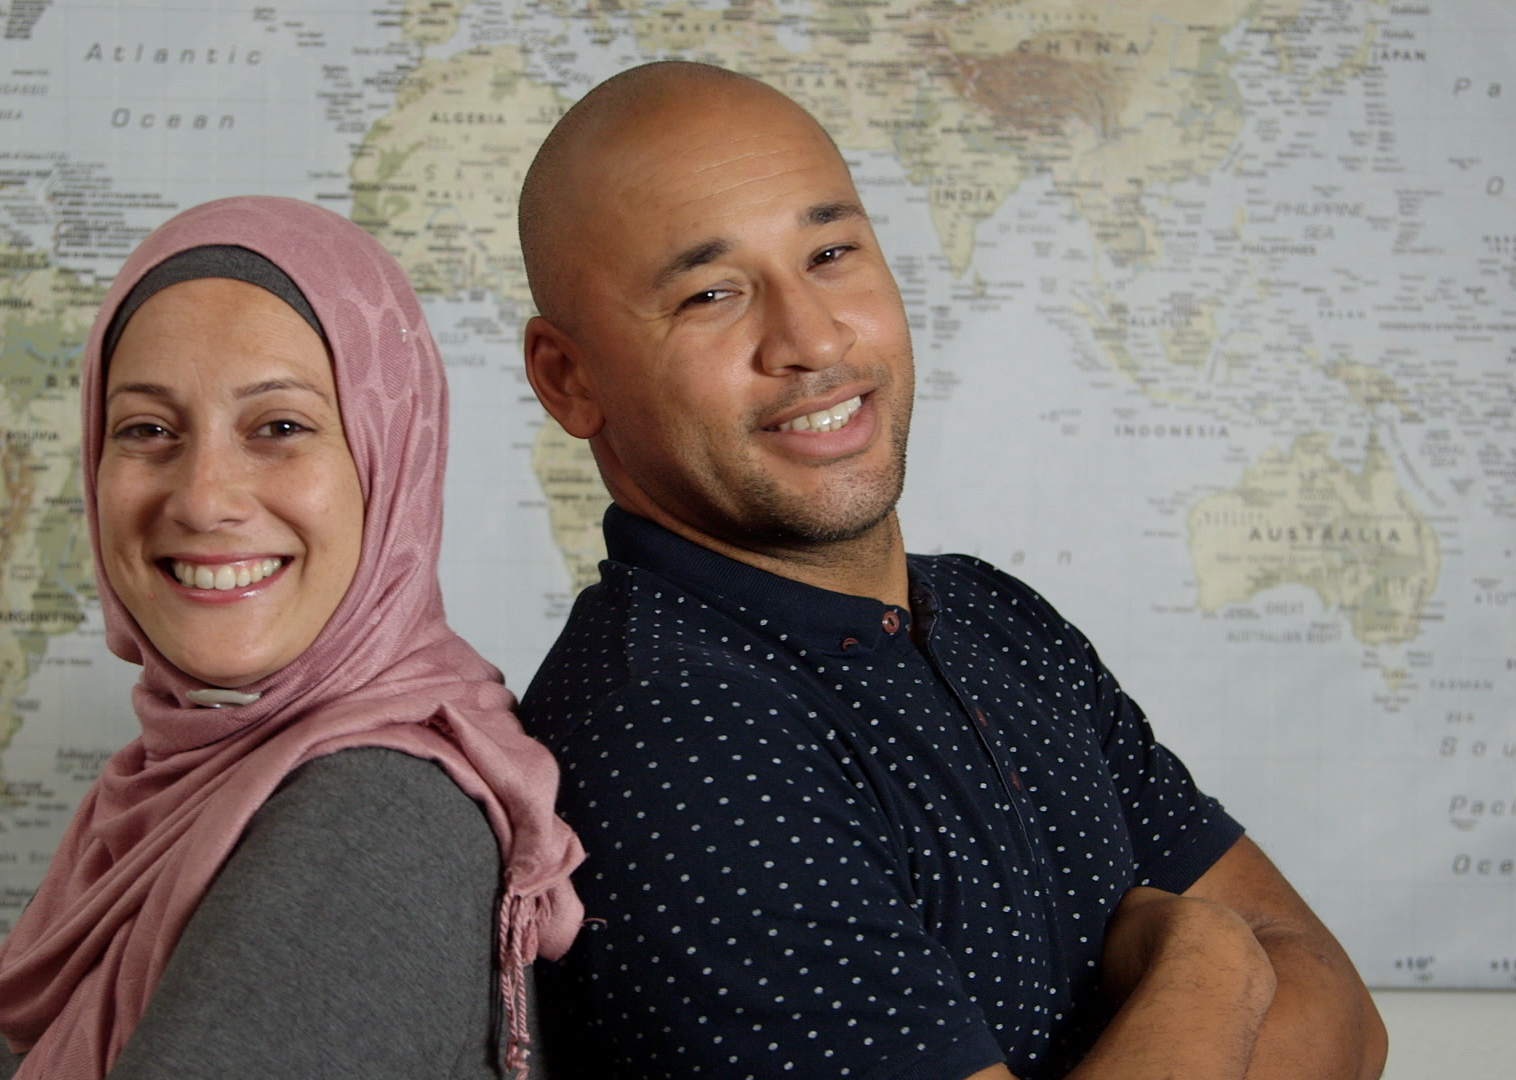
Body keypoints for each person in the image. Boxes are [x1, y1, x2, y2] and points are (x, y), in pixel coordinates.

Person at [514, 61, 1386, 1080]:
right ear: (568, 379)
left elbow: (1343, 1019)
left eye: (831, 253)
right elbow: (1266, 961)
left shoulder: (994, 618)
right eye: (712, 293)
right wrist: (1209, 960)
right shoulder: (678, 731)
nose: (812, 339)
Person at [0, 196, 583, 1080]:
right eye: (147, 430)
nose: (202, 499)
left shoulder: (372, 820)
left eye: (280, 428)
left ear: (389, 464)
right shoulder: (159, 795)